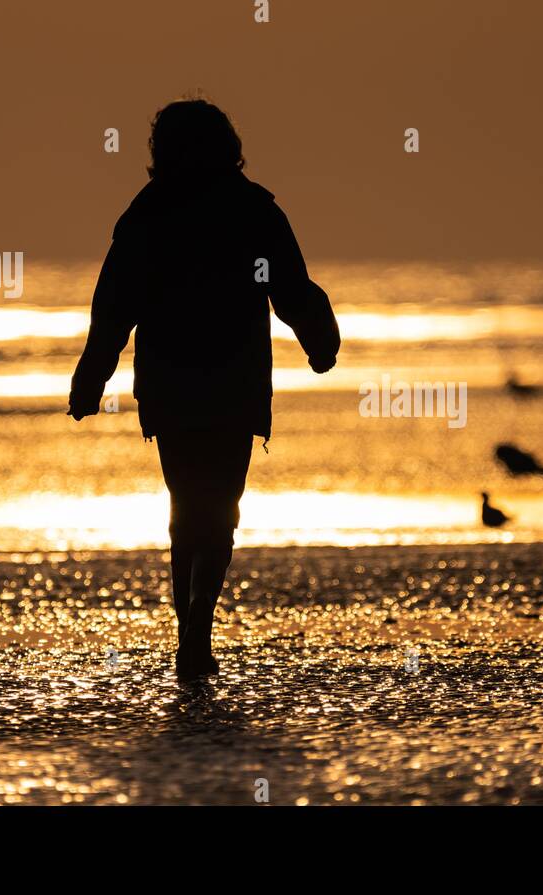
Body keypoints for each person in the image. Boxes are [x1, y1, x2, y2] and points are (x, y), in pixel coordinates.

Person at [68, 98, 340, 679]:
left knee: (186, 505)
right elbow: (290, 289)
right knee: (218, 507)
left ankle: (191, 630)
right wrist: (320, 339)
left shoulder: (150, 214)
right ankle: (198, 627)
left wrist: (93, 374)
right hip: (233, 379)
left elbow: (115, 305)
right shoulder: (250, 209)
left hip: (172, 382)